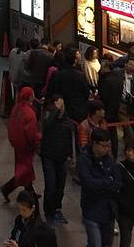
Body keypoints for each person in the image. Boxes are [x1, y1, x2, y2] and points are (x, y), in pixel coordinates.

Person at [78, 128, 122, 247]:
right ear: (94, 143)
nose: (107, 149)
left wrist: (101, 185)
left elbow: (118, 183)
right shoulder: (84, 160)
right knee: (95, 243)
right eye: (104, 146)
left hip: (109, 211)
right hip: (91, 210)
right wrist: (108, 181)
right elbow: (89, 183)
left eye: (109, 146)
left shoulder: (110, 160)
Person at [0, 87, 41, 202]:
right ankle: (6, 189)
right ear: (30, 97)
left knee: (26, 169)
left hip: (18, 145)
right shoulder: (30, 113)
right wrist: (37, 140)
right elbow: (31, 133)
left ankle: (30, 191)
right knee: (24, 171)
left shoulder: (16, 108)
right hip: (26, 146)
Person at [40, 94, 73, 225]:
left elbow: (69, 137)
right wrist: (55, 110)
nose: (61, 108)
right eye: (59, 105)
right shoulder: (48, 115)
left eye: (62, 106)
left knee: (60, 186)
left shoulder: (67, 120)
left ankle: (57, 209)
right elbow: (46, 125)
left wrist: (69, 154)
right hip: (49, 157)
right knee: (51, 186)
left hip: (61, 158)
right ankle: (49, 212)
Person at [48, 46, 92, 124]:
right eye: (78, 57)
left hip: (61, 109)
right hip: (78, 110)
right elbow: (86, 93)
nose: (80, 58)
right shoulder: (80, 75)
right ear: (74, 60)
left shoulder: (58, 74)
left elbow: (52, 90)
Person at [116, 56, 134, 148]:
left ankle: (130, 147)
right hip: (121, 104)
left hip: (132, 105)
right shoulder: (118, 74)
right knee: (127, 125)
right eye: (130, 64)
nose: (131, 67)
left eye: (133, 66)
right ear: (126, 64)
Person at [99, 61, 123, 157]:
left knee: (106, 134)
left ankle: (106, 153)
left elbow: (104, 97)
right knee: (113, 134)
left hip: (107, 110)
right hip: (115, 110)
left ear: (106, 68)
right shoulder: (118, 79)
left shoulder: (106, 81)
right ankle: (115, 153)